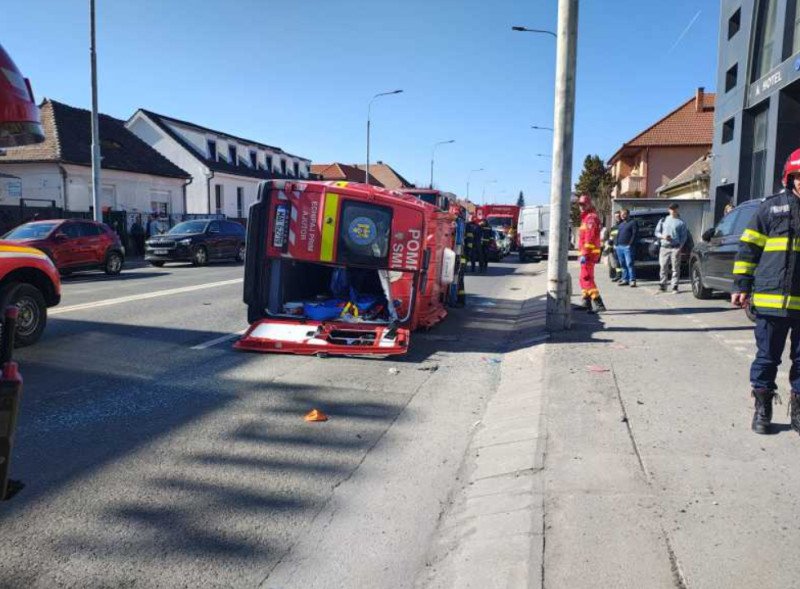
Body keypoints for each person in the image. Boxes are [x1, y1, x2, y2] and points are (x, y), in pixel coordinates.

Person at [731, 148, 800, 435]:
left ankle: (798, 410)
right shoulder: (771, 208)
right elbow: (749, 248)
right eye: (799, 176)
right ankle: (763, 408)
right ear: (790, 177)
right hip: (771, 301)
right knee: (767, 358)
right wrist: (741, 285)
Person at [577, 194, 606, 312]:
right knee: (583, 277)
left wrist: (584, 253)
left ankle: (598, 303)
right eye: (580, 204)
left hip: (589, 254)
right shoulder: (586, 218)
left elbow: (590, 238)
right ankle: (586, 302)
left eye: (584, 204)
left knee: (586, 277)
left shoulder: (590, 218)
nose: (582, 207)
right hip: (587, 253)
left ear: (589, 204)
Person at [655, 203, 687, 293]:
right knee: (663, 267)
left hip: (675, 248)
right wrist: (663, 236)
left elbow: (684, 237)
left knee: (675, 268)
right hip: (664, 247)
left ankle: (674, 286)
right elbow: (656, 232)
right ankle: (663, 285)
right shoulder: (663, 220)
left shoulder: (681, 222)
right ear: (668, 210)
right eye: (671, 209)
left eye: (674, 209)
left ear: (677, 209)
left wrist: (680, 247)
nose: (672, 210)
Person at [615, 208, 638, 287]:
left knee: (630, 264)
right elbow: (617, 235)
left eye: (624, 214)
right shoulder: (621, 224)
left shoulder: (632, 222)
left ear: (628, 214)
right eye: (621, 214)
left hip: (628, 247)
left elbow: (634, 234)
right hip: (619, 247)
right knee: (623, 264)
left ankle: (632, 280)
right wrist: (616, 244)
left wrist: (630, 244)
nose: (622, 216)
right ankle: (625, 279)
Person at [605, 211, 622, 282]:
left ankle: (624, 277)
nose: (617, 218)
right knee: (617, 263)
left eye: (618, 216)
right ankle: (618, 275)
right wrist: (609, 246)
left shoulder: (623, 225)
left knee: (623, 263)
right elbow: (611, 238)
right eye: (616, 217)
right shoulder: (614, 227)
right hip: (615, 247)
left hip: (622, 246)